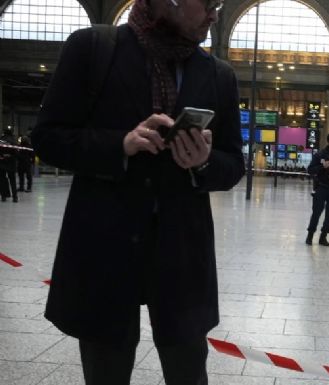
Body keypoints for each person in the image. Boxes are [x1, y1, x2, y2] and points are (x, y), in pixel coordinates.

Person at [31, 0, 245, 383]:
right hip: (105, 248)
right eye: (207, 4)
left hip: (182, 254)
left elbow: (233, 166)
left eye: (219, 5)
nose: (215, 15)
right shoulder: (94, 49)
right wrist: (121, 145)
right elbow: (47, 137)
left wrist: (203, 161)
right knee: (106, 371)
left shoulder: (217, 74)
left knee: (188, 371)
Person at [0, 128, 18, 202]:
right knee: (12, 181)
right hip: (11, 163)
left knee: (2, 180)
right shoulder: (13, 141)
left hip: (1, 163)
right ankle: (15, 197)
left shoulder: (1, 140)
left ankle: (3, 196)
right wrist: (10, 156)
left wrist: (3, 156)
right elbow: (16, 153)